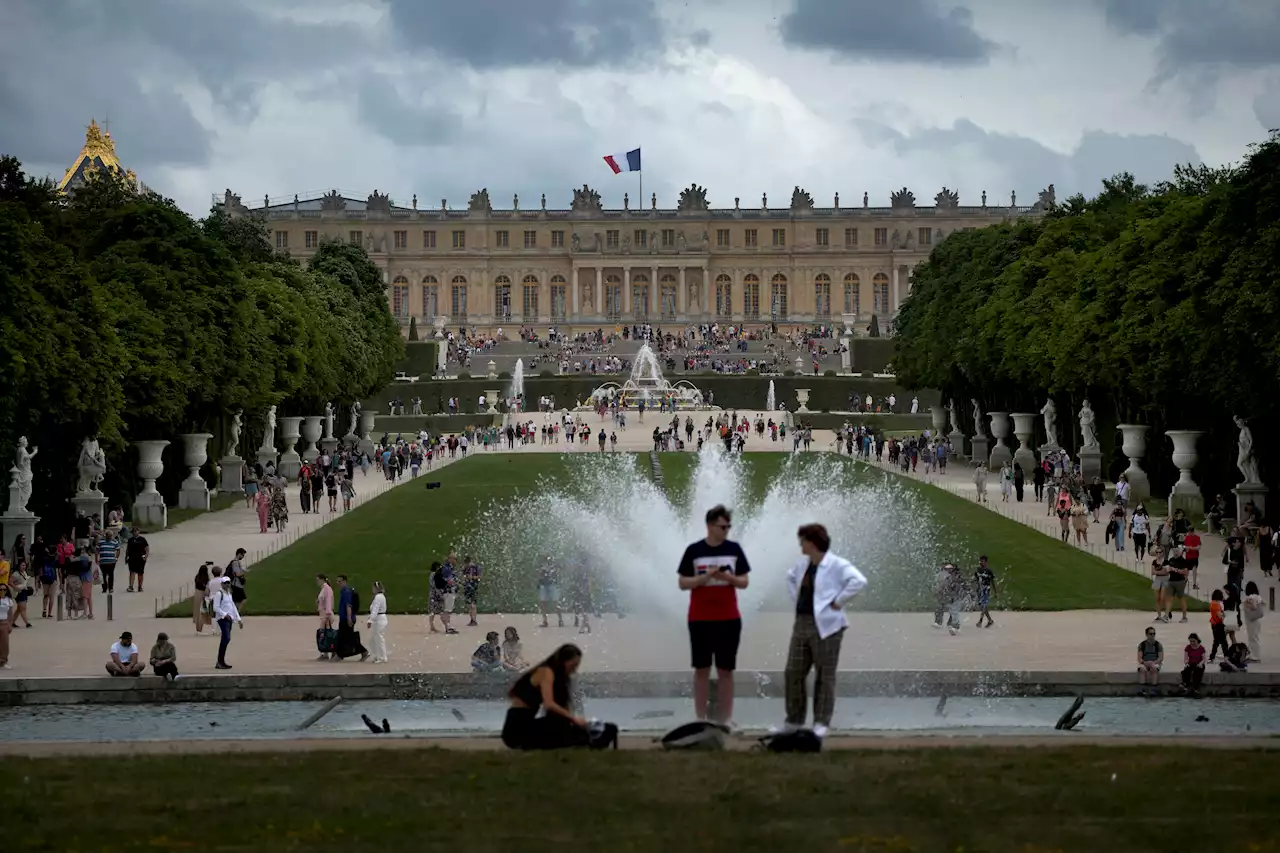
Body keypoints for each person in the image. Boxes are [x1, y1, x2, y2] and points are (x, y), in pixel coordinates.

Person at [778, 523, 867, 739]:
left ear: (812, 542)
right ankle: (794, 720)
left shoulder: (836, 564)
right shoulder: (803, 564)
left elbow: (858, 580)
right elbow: (790, 577)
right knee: (793, 672)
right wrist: (797, 599)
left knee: (824, 675)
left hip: (828, 627)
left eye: (803, 541)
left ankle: (821, 722)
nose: (800, 545)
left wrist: (838, 601)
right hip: (802, 623)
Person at [677, 505, 751, 726]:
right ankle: (699, 718)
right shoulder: (694, 550)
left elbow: (744, 581)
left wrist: (728, 578)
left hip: (729, 618)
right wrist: (702, 579)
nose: (726, 530)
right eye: (722, 526)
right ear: (710, 526)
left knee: (725, 670)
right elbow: (682, 582)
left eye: (729, 526)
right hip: (699, 618)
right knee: (701, 669)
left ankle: (726, 718)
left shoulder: (734, 549)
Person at [501, 643, 589, 750]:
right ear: (563, 661)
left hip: (527, 721)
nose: (574, 670)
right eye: (572, 666)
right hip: (517, 729)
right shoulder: (546, 672)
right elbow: (549, 704)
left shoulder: (555, 676)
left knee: (568, 728)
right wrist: (574, 719)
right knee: (568, 732)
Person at [209, 566, 242, 670]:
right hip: (223, 619)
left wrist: (239, 619)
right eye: (225, 583)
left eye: (228, 583)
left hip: (229, 619)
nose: (227, 584)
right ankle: (220, 661)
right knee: (226, 638)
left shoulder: (228, 594)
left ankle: (221, 661)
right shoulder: (219, 594)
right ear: (222, 584)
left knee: (226, 639)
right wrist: (224, 614)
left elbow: (232, 606)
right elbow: (216, 607)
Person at [333, 575, 369, 662]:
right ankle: (340, 655)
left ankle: (340, 655)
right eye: (337, 581)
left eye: (340, 581)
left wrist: (349, 618)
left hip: (347, 619)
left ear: (345, 582)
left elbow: (348, 606)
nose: (338, 583)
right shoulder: (344, 592)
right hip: (344, 618)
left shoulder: (346, 592)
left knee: (346, 637)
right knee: (346, 637)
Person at [1136, 626, 1163, 697]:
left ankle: (1153, 689)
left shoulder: (1158, 645)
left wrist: (1153, 663)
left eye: (1154, 634)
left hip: (1155, 662)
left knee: (1154, 669)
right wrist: (1144, 662)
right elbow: (1139, 658)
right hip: (1145, 662)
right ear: (1147, 635)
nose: (1153, 635)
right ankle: (1142, 689)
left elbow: (1160, 658)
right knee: (1142, 669)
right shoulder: (1142, 645)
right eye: (1151, 634)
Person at [366, 581, 388, 664]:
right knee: (373, 639)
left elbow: (375, 610)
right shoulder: (380, 596)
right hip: (378, 619)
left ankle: (382, 657)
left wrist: (370, 620)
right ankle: (376, 655)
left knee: (379, 638)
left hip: (379, 619)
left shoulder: (378, 597)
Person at [1242, 581, 1264, 663]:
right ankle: (1254, 655)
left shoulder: (1251, 597)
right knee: (1255, 637)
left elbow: (1254, 606)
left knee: (1253, 638)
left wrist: (1247, 604)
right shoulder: (1258, 596)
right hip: (1257, 620)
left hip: (1252, 620)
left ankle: (1255, 656)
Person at [973, 555, 997, 628]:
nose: (981, 562)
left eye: (982, 561)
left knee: (983, 605)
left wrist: (995, 592)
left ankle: (980, 621)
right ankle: (990, 620)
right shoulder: (978, 570)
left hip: (986, 590)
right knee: (983, 606)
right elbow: (975, 580)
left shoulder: (989, 571)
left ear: (986, 562)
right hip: (980, 590)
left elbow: (992, 582)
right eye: (980, 561)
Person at [1179, 633, 1205, 697]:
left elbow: (1204, 659)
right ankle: (1185, 684)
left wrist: (1200, 664)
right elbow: (1185, 658)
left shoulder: (1201, 648)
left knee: (1197, 673)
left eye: (1193, 641)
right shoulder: (1188, 647)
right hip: (1191, 663)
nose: (1192, 643)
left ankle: (1195, 688)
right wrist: (1186, 663)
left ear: (1197, 640)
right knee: (1186, 671)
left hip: (1199, 664)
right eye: (1191, 641)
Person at [316, 574, 335, 659]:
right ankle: (326, 652)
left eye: (318, 580)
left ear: (322, 579)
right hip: (323, 614)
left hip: (326, 615)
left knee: (327, 634)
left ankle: (332, 651)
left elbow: (328, 602)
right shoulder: (324, 588)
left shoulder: (326, 588)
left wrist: (327, 614)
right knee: (325, 634)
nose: (317, 582)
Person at [125, 527, 149, 593]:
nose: (134, 533)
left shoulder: (142, 539)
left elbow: (147, 548)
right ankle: (131, 586)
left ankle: (140, 587)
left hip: (140, 558)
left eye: (136, 531)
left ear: (138, 532)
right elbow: (128, 549)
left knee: (140, 573)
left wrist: (146, 556)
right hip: (132, 558)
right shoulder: (130, 540)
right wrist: (126, 557)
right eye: (133, 531)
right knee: (132, 572)